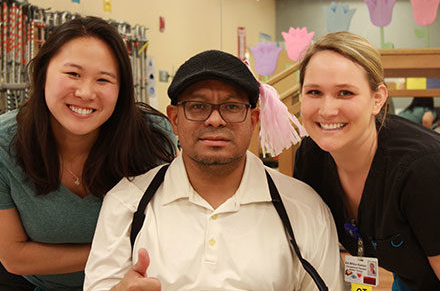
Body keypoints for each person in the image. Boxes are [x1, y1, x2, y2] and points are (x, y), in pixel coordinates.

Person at [84, 50, 345, 290]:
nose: (215, 119)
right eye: (198, 106)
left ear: (253, 121)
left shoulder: (303, 207)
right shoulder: (127, 203)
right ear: (174, 119)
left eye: (231, 107)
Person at [0, 16, 176, 291]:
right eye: (73, 74)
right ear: (43, 73)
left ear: (122, 89)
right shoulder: (5, 143)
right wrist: (109, 252)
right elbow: (14, 257)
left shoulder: (151, 138)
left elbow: (170, 232)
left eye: (104, 79)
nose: (85, 92)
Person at [293, 31, 440, 291]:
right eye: (314, 91)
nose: (327, 110)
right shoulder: (311, 156)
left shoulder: (422, 170)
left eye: (345, 93)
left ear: (378, 99)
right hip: (409, 276)